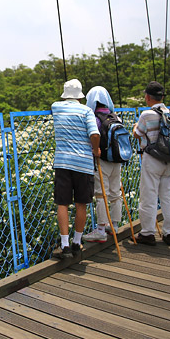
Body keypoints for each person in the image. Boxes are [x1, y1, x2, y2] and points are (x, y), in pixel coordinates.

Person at [52, 79, 101, 257]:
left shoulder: (55, 107)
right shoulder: (86, 111)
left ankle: (64, 245)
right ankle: (76, 242)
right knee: (81, 204)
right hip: (84, 163)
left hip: (63, 162)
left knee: (62, 203)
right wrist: (95, 150)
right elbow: (94, 134)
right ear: (80, 95)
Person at [132, 81, 170, 246]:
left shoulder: (146, 114)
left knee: (148, 196)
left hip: (152, 159)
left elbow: (137, 134)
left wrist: (136, 125)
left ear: (148, 97)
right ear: (162, 97)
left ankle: (147, 233)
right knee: (167, 198)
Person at [82, 86, 122, 243]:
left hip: (101, 160)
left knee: (100, 194)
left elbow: (92, 137)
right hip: (117, 160)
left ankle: (100, 229)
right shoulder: (116, 117)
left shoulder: (94, 118)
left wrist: (95, 149)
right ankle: (115, 225)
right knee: (115, 192)